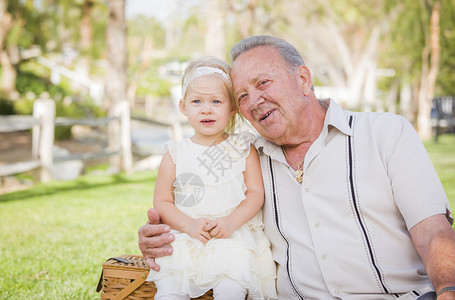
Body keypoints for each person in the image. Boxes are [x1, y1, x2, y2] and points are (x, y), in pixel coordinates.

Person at [139, 36, 455, 300]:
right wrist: (157, 235)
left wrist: (449, 291)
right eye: (243, 95)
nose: (254, 101)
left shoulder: (385, 133)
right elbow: (188, 200)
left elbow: (434, 234)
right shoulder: (245, 157)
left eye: (263, 83)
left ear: (303, 79)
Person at [145, 56, 277, 300]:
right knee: (170, 290)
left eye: (216, 101)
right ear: (183, 106)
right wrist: (188, 225)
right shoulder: (174, 154)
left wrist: (230, 222)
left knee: (231, 287)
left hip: (231, 236)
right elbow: (163, 201)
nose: (206, 109)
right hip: (187, 237)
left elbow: (255, 193)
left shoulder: (242, 148)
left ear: (232, 108)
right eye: (197, 101)